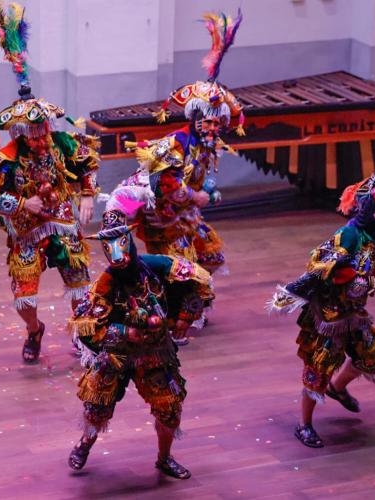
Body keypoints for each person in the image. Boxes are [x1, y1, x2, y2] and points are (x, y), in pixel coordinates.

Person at [105, 10, 244, 343]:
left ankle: (186, 305)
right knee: (180, 268)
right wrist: (196, 196)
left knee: (212, 255)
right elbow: (166, 184)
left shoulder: (209, 146)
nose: (211, 128)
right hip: (162, 218)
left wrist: (208, 195)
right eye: (206, 122)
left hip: (186, 216)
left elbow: (203, 186)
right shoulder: (176, 144)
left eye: (216, 123)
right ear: (195, 119)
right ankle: (171, 317)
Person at [0, 1, 99, 363]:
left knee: (79, 280)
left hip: (62, 223)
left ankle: (82, 335)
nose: (42, 132)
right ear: (20, 130)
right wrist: (19, 202)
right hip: (27, 229)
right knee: (23, 297)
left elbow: (87, 161)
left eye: (44, 124)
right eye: (34, 127)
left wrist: (88, 193)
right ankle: (34, 330)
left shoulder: (62, 143)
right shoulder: (8, 157)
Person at [67, 209, 213, 479]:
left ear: (129, 240)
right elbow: (86, 330)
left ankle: (164, 458)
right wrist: (125, 333)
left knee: (170, 407)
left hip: (156, 353)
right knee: (97, 406)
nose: (118, 256)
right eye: (109, 248)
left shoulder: (155, 265)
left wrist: (184, 316)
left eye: (120, 243)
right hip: (116, 356)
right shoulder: (105, 284)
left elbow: (195, 281)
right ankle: (84, 443)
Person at [268, 173, 375, 448]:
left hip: (355, 314)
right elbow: (325, 271)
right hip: (329, 317)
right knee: (317, 372)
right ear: (368, 208)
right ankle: (304, 424)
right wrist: (367, 280)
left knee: (370, 357)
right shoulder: (348, 235)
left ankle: (338, 388)